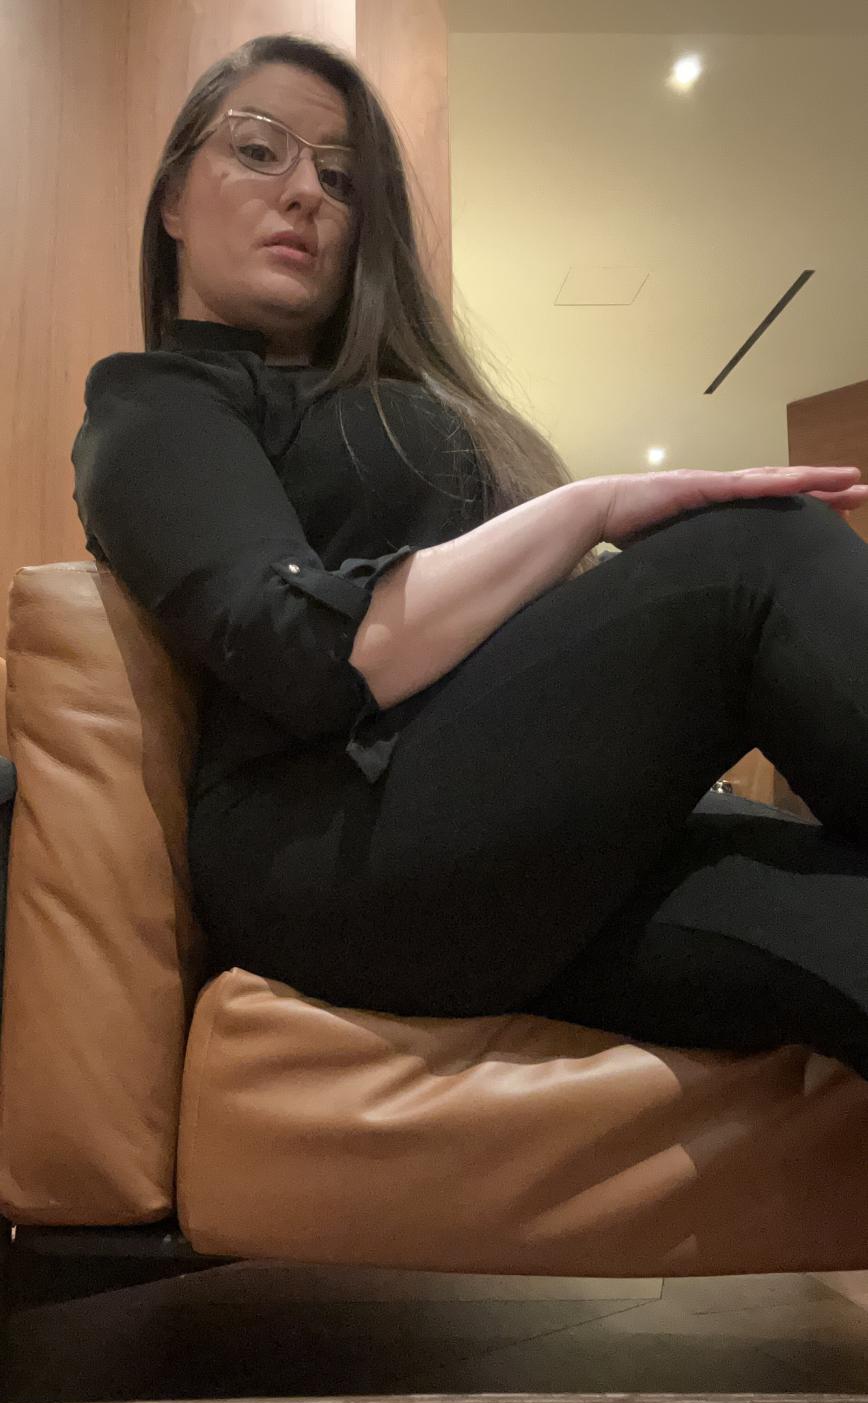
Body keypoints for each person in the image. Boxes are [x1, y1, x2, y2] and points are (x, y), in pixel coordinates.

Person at [72, 33, 868, 1076]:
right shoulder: (155, 404)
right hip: (328, 850)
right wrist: (588, 509)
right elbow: (303, 651)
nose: (306, 192)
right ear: (174, 198)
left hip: (488, 834)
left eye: (341, 177)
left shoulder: (384, 397)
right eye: (259, 149)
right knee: (756, 552)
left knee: (841, 920)